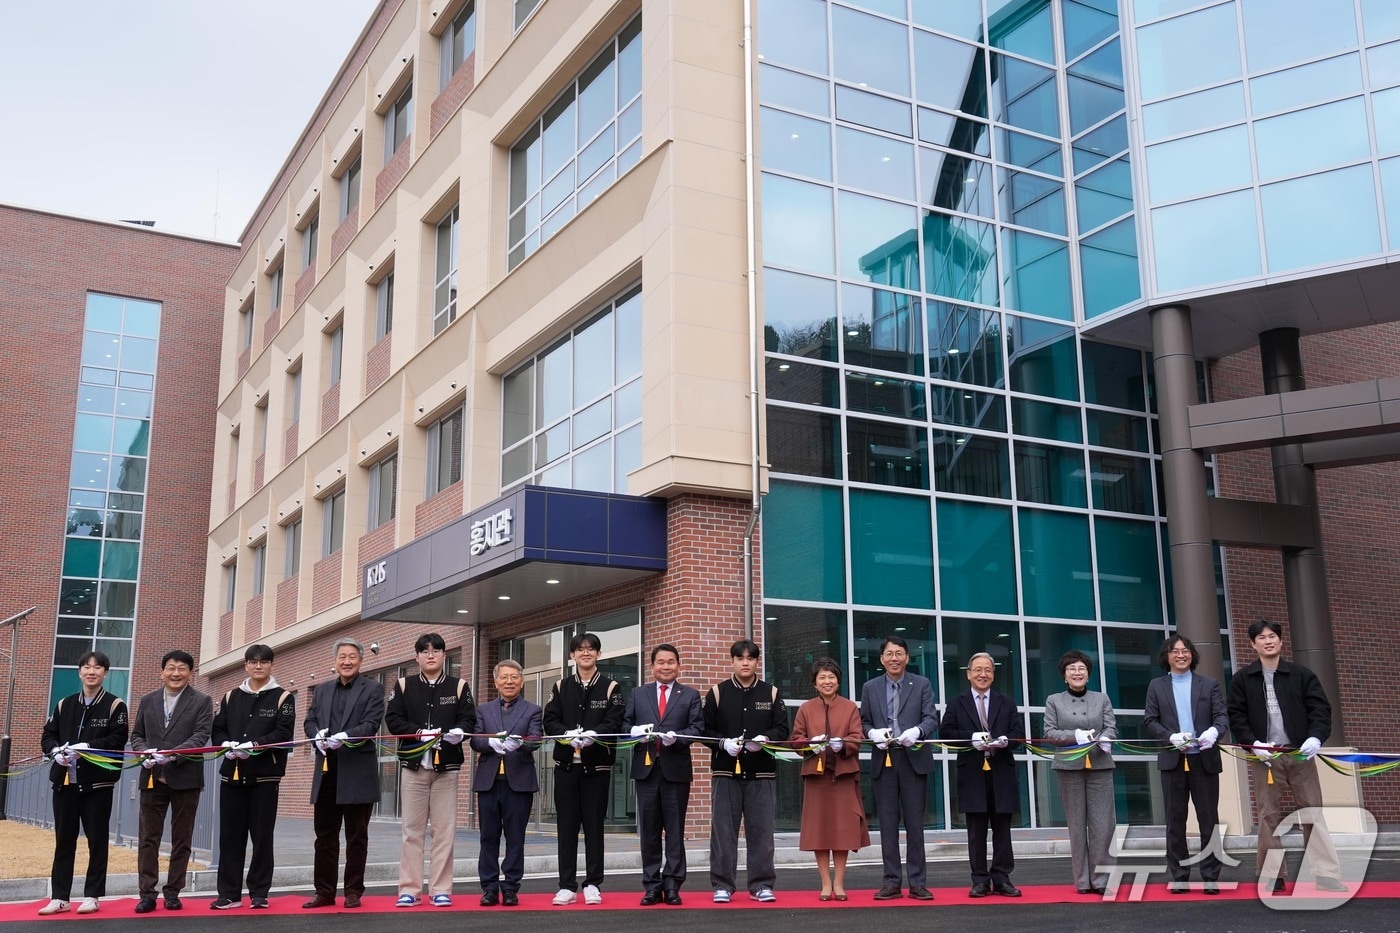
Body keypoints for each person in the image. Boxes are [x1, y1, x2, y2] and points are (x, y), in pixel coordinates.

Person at [1227, 619, 1347, 893]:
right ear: (1252, 644)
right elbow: (1236, 715)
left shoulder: (1301, 675)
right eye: (1261, 638)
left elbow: (1320, 709)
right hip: (1265, 758)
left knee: (1312, 812)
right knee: (1269, 815)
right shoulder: (1243, 679)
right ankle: (1273, 874)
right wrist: (1252, 743)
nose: (1268, 641)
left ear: (1281, 642)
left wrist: (1316, 737)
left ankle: (1325, 873)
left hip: (1300, 755)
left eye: (1272, 636)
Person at [385, 632, 476, 908]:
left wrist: (460, 732)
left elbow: (469, 719)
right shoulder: (403, 685)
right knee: (411, 831)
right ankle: (409, 889)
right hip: (413, 768)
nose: (431, 654)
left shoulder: (459, 685)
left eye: (436, 650)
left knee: (444, 830)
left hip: (446, 768)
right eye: (424, 651)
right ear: (417, 657)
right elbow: (392, 720)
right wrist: (417, 733)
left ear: (444, 655)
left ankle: (440, 888)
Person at [37, 651, 129, 916]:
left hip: (97, 785)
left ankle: (92, 895)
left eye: (98, 668)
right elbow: (48, 735)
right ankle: (60, 897)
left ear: (105, 674)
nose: (92, 672)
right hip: (65, 782)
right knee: (64, 840)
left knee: (96, 840)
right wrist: (54, 751)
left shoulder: (115, 705)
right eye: (87, 667)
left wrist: (87, 747)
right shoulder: (64, 704)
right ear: (79, 672)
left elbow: (117, 740)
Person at [704, 639, 791, 904]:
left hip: (761, 774)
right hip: (725, 774)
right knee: (723, 832)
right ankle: (723, 884)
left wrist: (766, 738)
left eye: (750, 658)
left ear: (756, 662)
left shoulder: (771, 693)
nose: (745, 662)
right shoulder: (717, 693)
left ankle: (761, 884)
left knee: (762, 832)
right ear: (731, 661)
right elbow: (703, 730)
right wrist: (722, 743)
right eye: (740, 658)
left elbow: (783, 728)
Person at [210, 644, 296, 910]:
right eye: (253, 662)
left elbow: (284, 733)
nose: (258, 666)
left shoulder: (283, 697)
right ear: (245, 665)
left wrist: (255, 746)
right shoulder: (230, 696)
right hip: (232, 776)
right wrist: (226, 745)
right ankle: (229, 893)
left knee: (262, 837)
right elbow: (218, 729)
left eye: (264, 662)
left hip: (265, 778)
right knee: (230, 837)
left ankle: (259, 892)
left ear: (272, 665)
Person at [542, 632, 625, 906]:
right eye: (580, 649)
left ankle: (592, 883)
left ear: (599, 654)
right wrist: (566, 734)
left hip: (596, 769)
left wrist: (594, 734)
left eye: (591, 649)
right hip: (566, 767)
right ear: (572, 655)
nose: (586, 653)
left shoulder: (612, 687)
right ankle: (566, 886)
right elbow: (549, 720)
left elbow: (615, 721)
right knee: (566, 828)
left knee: (593, 827)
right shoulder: (560, 686)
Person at [302, 637, 385, 910]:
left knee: (356, 837)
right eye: (342, 657)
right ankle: (324, 891)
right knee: (324, 837)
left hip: (357, 771)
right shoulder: (322, 690)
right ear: (335, 661)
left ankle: (353, 891)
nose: (347, 661)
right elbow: (309, 720)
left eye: (352, 657)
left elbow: (371, 723)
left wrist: (346, 737)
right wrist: (317, 735)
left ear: (361, 661)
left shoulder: (373, 689)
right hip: (326, 771)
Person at [128, 650, 213, 914]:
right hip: (152, 777)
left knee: (182, 839)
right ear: (162, 672)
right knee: (148, 838)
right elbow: (137, 735)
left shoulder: (202, 700)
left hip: (185, 778)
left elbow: (201, 736)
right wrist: (145, 753)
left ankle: (173, 891)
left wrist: (172, 754)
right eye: (171, 668)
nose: (176, 673)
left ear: (191, 672)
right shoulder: (147, 700)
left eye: (182, 668)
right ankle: (147, 893)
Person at [1143, 634, 1229, 895]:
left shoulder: (1209, 684)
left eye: (1185, 650)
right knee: (1175, 822)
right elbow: (1150, 721)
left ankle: (1211, 875)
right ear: (1166, 656)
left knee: (1208, 820)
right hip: (1173, 761)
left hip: (1204, 760)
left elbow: (1222, 716)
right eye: (1175, 651)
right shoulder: (1156, 686)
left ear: (1192, 655)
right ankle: (1179, 875)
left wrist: (1214, 731)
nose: (1181, 655)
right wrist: (1170, 736)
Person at [624, 643, 704, 906]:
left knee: (675, 830)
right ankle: (651, 885)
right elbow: (625, 724)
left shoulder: (690, 695)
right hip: (646, 769)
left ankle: (672, 885)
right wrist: (636, 731)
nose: (666, 666)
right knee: (648, 831)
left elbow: (697, 728)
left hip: (676, 770)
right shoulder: (638, 693)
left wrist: (677, 739)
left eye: (671, 662)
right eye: (661, 662)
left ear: (678, 666)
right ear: (652, 666)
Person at [859, 635, 938, 901]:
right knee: (888, 825)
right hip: (885, 760)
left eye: (899, 653)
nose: (894, 658)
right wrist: (873, 734)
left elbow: (931, 718)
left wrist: (918, 730)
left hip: (913, 759)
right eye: (889, 654)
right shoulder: (870, 687)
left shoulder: (922, 684)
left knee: (915, 825)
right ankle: (891, 881)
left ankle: (918, 882)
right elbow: (864, 722)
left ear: (907, 657)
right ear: (881, 659)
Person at [941, 651, 1024, 898]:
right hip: (972, 775)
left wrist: (1005, 741)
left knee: (1002, 830)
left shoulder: (1006, 702)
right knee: (976, 831)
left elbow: (1018, 734)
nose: (983, 674)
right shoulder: (957, 703)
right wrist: (971, 738)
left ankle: (1002, 878)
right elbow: (946, 734)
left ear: (993, 674)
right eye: (977, 669)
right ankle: (979, 880)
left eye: (988, 670)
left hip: (1001, 773)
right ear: (968, 674)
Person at [789, 657, 868, 901]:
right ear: (814, 683)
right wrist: (809, 746)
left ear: (838, 680)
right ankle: (825, 883)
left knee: (843, 831)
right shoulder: (806, 709)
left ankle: (840, 883)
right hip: (816, 777)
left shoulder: (849, 707)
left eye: (831, 676)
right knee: (819, 832)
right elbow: (796, 739)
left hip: (843, 775)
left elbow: (858, 735)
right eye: (822, 677)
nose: (827, 681)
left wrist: (843, 744)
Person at [1043, 649, 1117, 895]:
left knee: (1103, 825)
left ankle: (1103, 880)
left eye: (1082, 668)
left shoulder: (1102, 698)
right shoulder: (1054, 700)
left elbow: (1111, 727)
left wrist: (1106, 738)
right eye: (1071, 669)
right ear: (1064, 675)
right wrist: (1073, 736)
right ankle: (1083, 881)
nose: (1077, 672)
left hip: (1100, 765)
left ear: (1088, 673)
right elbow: (1049, 733)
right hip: (1069, 767)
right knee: (1077, 825)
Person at [471, 659, 542, 907]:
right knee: (488, 837)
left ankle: (510, 887)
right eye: (504, 677)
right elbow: (475, 740)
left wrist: (520, 743)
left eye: (514, 677)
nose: (509, 681)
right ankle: (489, 887)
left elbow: (536, 738)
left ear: (522, 681)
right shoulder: (483, 710)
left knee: (515, 838)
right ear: (496, 681)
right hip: (489, 782)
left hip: (519, 783)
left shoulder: (533, 710)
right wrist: (490, 742)